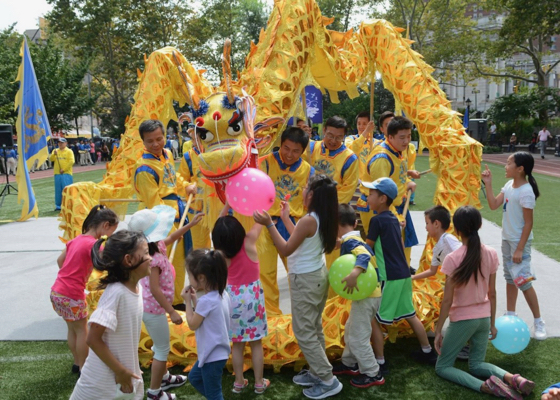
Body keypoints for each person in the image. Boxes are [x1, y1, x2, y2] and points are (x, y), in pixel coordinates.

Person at [253, 175, 343, 399]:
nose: (302, 191)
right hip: (316, 277)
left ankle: (328, 379)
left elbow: (285, 249)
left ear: (311, 195)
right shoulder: (320, 217)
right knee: (313, 328)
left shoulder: (309, 220)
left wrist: (269, 224)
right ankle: (317, 371)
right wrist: (284, 218)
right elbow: (300, 240)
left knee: (304, 333)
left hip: (306, 280)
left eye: (304, 188)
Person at [434, 206, 534, 400]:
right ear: (479, 225)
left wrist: (438, 331)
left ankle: (487, 387)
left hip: (463, 319)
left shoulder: (452, 258)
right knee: (477, 364)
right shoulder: (490, 253)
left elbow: (447, 300)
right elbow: (493, 293)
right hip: (483, 317)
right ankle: (515, 379)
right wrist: (492, 324)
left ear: (456, 230)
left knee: (443, 366)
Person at [128, 206, 203, 400]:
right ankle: (154, 392)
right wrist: (172, 311)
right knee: (162, 348)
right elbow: (154, 289)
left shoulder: (156, 246)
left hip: (154, 308)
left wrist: (189, 225)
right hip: (154, 310)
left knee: (159, 345)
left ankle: (164, 377)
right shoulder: (152, 259)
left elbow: (170, 239)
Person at [70, 230, 152, 400]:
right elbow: (92, 338)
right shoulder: (116, 293)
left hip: (116, 377)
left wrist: (130, 364)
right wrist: (120, 371)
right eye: (145, 253)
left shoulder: (137, 288)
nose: (150, 258)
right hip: (100, 384)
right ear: (129, 260)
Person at [364, 178, 437, 365]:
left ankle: (379, 362)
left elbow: (367, 248)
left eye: (371, 194)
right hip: (404, 274)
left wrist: (350, 243)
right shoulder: (394, 220)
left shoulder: (376, 221)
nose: (367, 196)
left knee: (374, 319)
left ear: (382, 199)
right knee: (411, 315)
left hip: (389, 276)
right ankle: (428, 351)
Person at [481, 152, 547, 340]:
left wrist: (519, 248)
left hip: (519, 243)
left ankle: (538, 321)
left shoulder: (526, 191)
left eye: (509, 163)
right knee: (510, 279)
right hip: (507, 240)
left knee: (524, 282)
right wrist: (488, 183)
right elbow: (494, 205)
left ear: (520, 169)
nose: (505, 166)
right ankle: (511, 315)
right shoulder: (510, 185)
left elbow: (528, 223)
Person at [50, 205, 119, 374]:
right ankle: (83, 368)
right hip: (73, 295)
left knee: (72, 329)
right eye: (113, 230)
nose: (110, 235)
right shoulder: (95, 245)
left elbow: (60, 261)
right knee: (82, 331)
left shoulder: (76, 239)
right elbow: (108, 263)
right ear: (105, 225)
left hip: (57, 291)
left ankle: (76, 363)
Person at [134, 119, 192, 308]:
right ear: (143, 141)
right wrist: (171, 228)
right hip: (159, 223)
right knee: (162, 263)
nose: (156, 144)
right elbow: (154, 204)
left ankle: (175, 299)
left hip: (177, 213)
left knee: (180, 258)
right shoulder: (144, 169)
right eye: (150, 141)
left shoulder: (166, 154)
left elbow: (173, 180)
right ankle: (162, 301)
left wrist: (186, 187)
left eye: (159, 138)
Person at [257, 127, 314, 314]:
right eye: (286, 148)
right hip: (265, 223)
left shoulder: (307, 171)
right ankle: (271, 315)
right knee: (266, 272)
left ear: (303, 151)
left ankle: (303, 312)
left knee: (297, 271)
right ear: (280, 145)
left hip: (292, 225)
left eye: (296, 151)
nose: (289, 154)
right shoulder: (264, 164)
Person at [212, 215, 270, 394]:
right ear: (240, 232)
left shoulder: (219, 254)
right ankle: (259, 382)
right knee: (256, 343)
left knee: (237, 344)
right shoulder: (249, 242)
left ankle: (239, 381)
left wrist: (226, 203)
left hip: (232, 301)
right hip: (252, 300)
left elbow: (219, 231)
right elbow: (261, 219)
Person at [332, 204, 385, 388]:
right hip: (369, 295)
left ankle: (373, 373)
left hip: (367, 296)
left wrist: (354, 274)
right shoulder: (355, 239)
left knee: (358, 336)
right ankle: (350, 363)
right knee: (351, 328)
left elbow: (363, 255)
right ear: (355, 223)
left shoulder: (351, 243)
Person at [358, 116, 419, 266]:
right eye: (402, 137)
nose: (406, 141)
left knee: (404, 248)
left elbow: (397, 177)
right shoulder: (382, 159)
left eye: (409, 136)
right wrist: (395, 218)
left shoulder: (398, 150)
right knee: (384, 257)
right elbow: (381, 196)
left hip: (397, 207)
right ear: (389, 136)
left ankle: (403, 278)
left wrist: (407, 183)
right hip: (381, 211)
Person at [305, 116, 359, 275]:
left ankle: (334, 297)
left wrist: (321, 204)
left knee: (334, 260)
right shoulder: (310, 148)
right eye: (330, 135)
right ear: (323, 131)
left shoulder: (350, 158)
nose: (333, 140)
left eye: (338, 137)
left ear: (344, 137)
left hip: (333, 213)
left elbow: (347, 190)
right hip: (307, 210)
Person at [182, 249, 232, 400]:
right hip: (216, 353)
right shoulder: (222, 295)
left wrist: (188, 302)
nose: (189, 279)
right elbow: (207, 316)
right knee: (194, 378)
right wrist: (195, 301)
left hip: (212, 355)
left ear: (201, 278)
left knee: (214, 394)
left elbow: (192, 324)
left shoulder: (206, 301)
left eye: (189, 275)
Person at [177, 131, 211, 249]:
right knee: (199, 244)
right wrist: (187, 186)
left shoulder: (217, 153)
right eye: (193, 138)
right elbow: (181, 179)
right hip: (196, 207)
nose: (195, 141)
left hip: (217, 206)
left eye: (198, 137)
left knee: (221, 240)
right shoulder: (188, 157)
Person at [412, 206, 462, 281]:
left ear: (436, 224)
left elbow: (463, 254)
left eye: (427, 223)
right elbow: (432, 271)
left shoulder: (448, 239)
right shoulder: (436, 249)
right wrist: (413, 277)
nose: (426, 227)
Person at [50, 138, 75, 211]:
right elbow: (51, 159)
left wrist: (64, 169)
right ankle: (58, 206)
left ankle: (68, 204)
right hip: (57, 173)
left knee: (66, 189)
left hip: (66, 173)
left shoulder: (69, 151)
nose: (60, 144)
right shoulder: (55, 151)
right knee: (58, 190)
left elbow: (71, 161)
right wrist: (54, 155)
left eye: (62, 143)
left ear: (66, 143)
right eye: (59, 143)